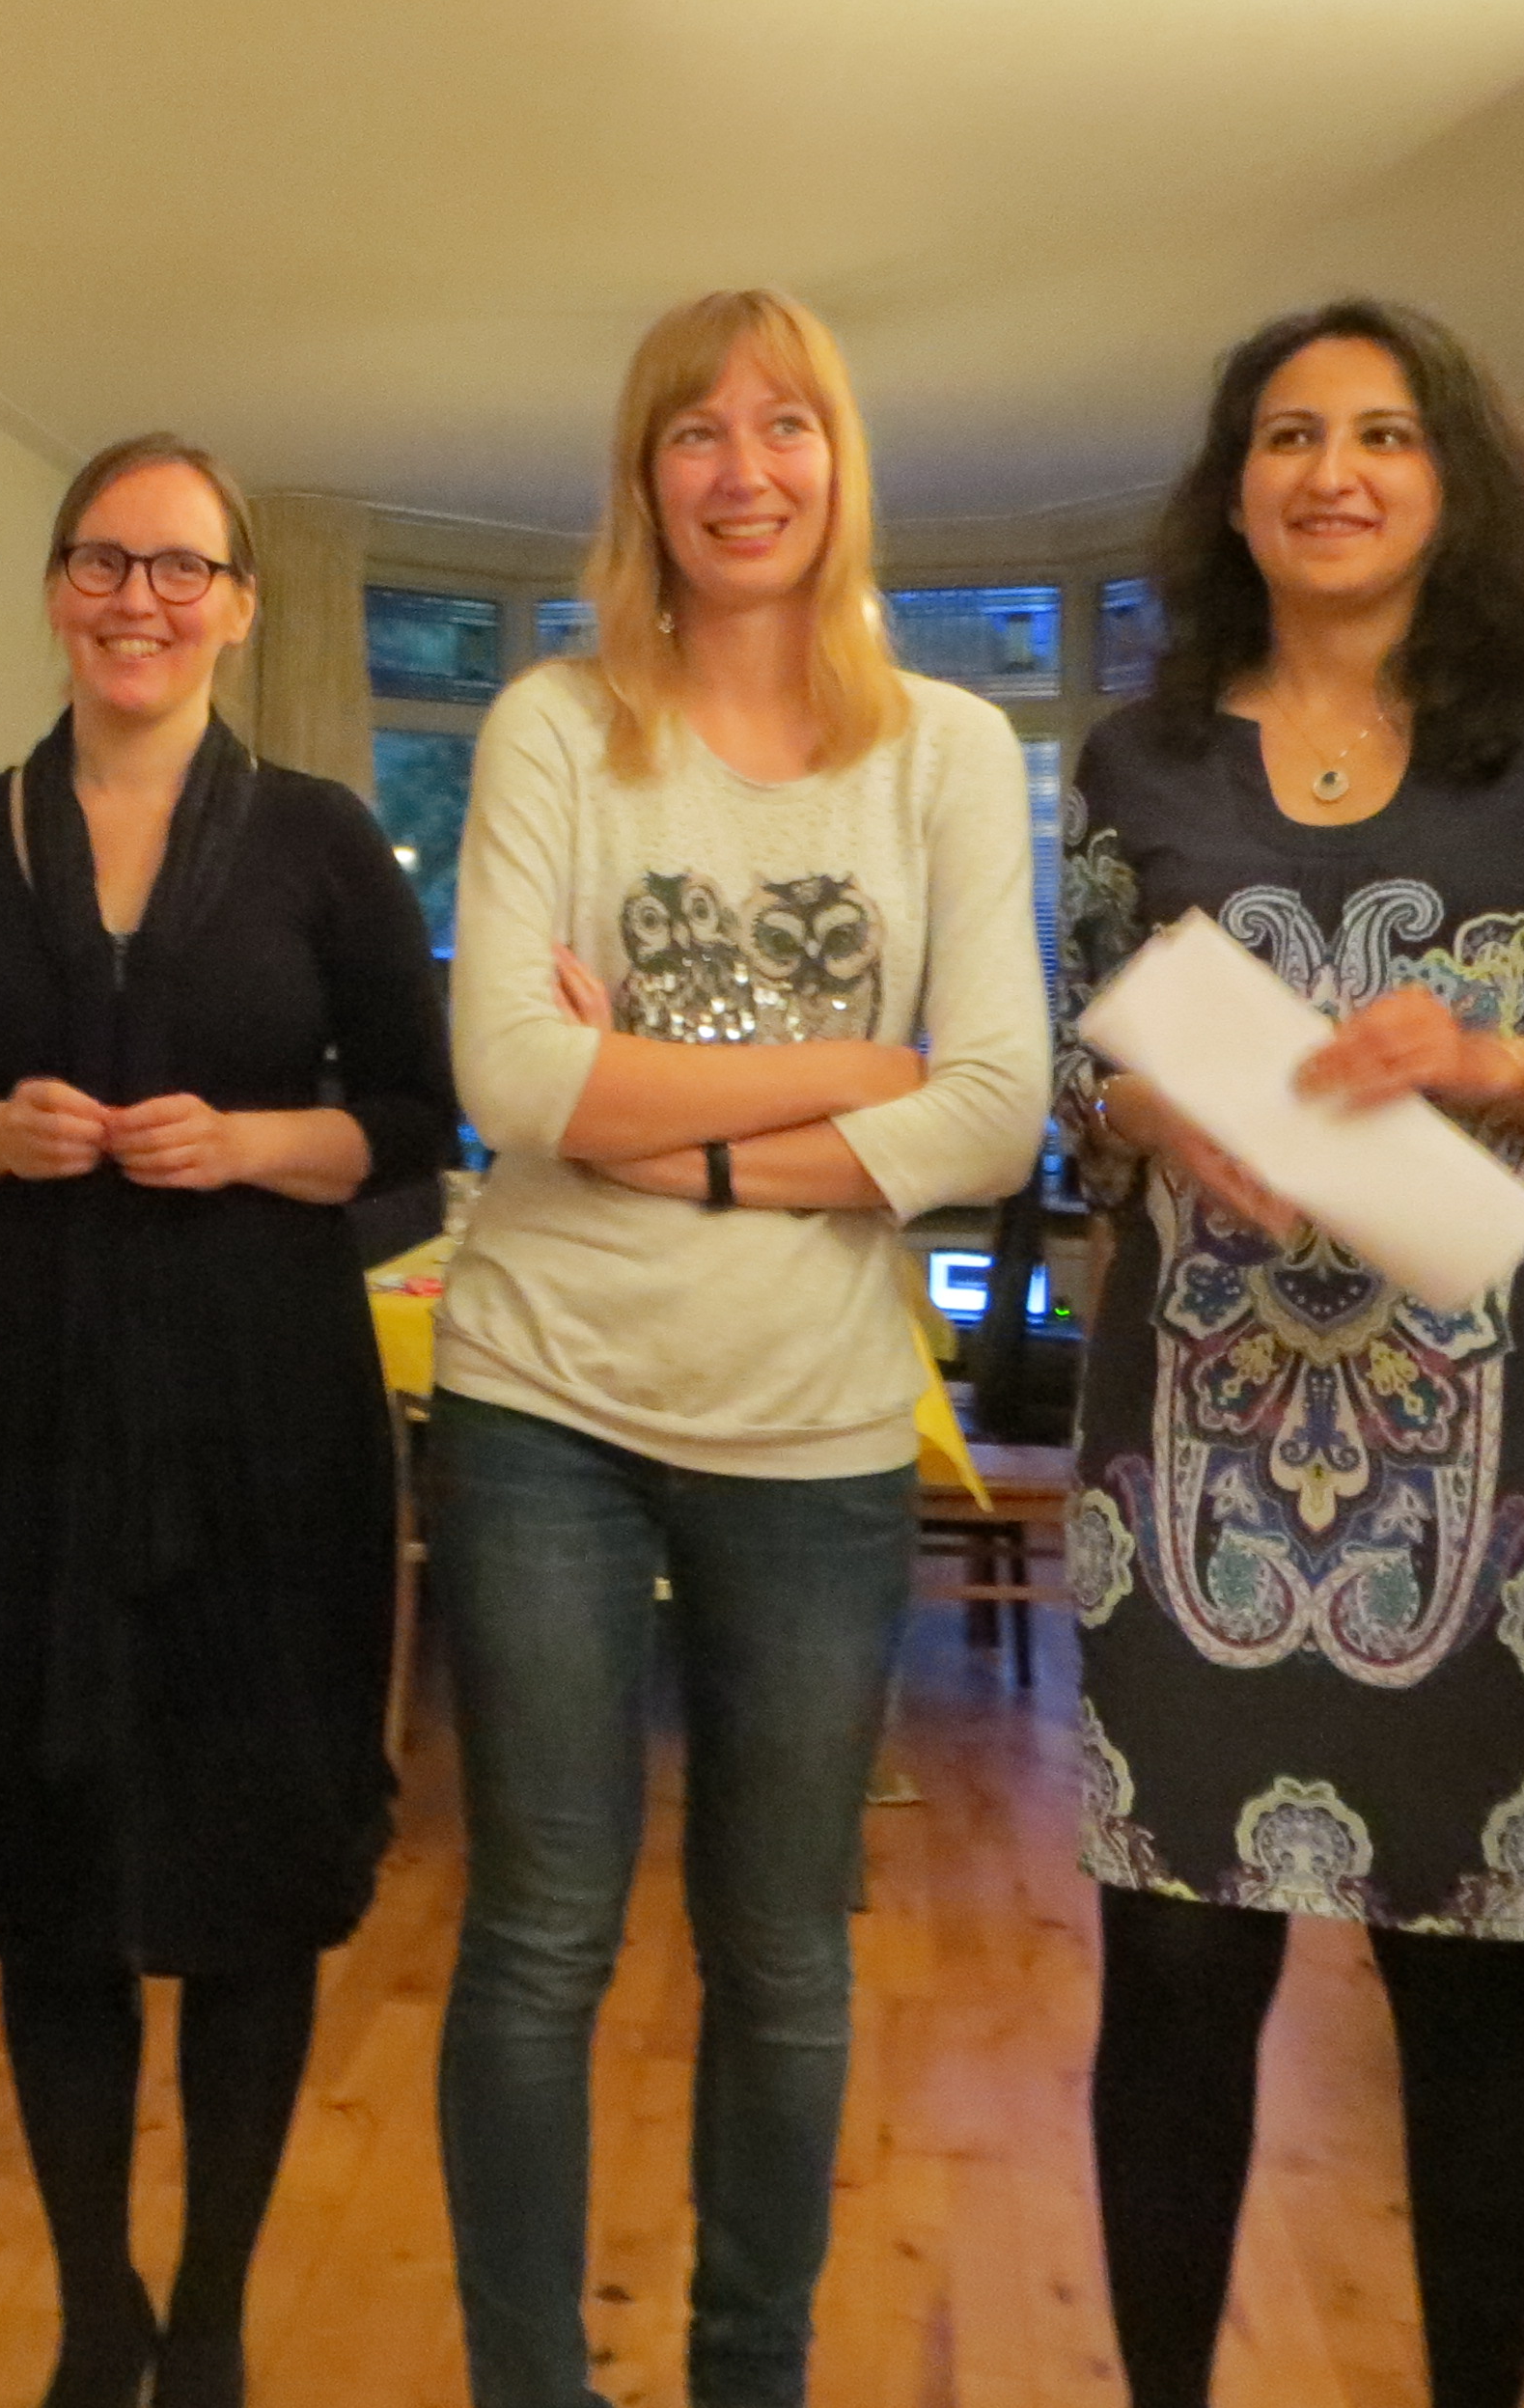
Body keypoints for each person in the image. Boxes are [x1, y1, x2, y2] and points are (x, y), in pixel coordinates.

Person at [1053, 300, 1524, 2408]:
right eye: (1285, 435)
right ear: (1231, 488)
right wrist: (1147, 1107)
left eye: (1379, 434)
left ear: (1453, 481)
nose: (1329, 472)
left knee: (1486, 2024)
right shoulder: (1134, 763)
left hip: (1503, 1480)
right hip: (1188, 1468)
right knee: (1172, 1987)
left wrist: (1495, 1061)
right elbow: (1079, 1061)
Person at [429, 289, 1047, 2408]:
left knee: (782, 1956)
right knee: (537, 1939)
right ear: (645, 477)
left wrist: (664, 1129)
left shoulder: (946, 752)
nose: (743, 466)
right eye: (695, 430)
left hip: (814, 1429)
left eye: (785, 424)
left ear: (838, 464)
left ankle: (746, 2380)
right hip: (540, 1402)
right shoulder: (550, 725)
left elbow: (993, 1112)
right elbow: (511, 1079)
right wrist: (851, 1075)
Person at [0, 433, 453, 2408]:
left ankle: (214, 2321)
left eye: (183, 569)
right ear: (54, 588)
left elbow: (415, 1128)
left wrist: (255, 1141)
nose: (140, 601)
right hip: (17, 1417)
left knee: (255, 1877)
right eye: (106, 561)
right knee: (53, 1886)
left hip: (268, 1426)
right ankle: (96, 2315)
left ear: (239, 609)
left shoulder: (323, 840)